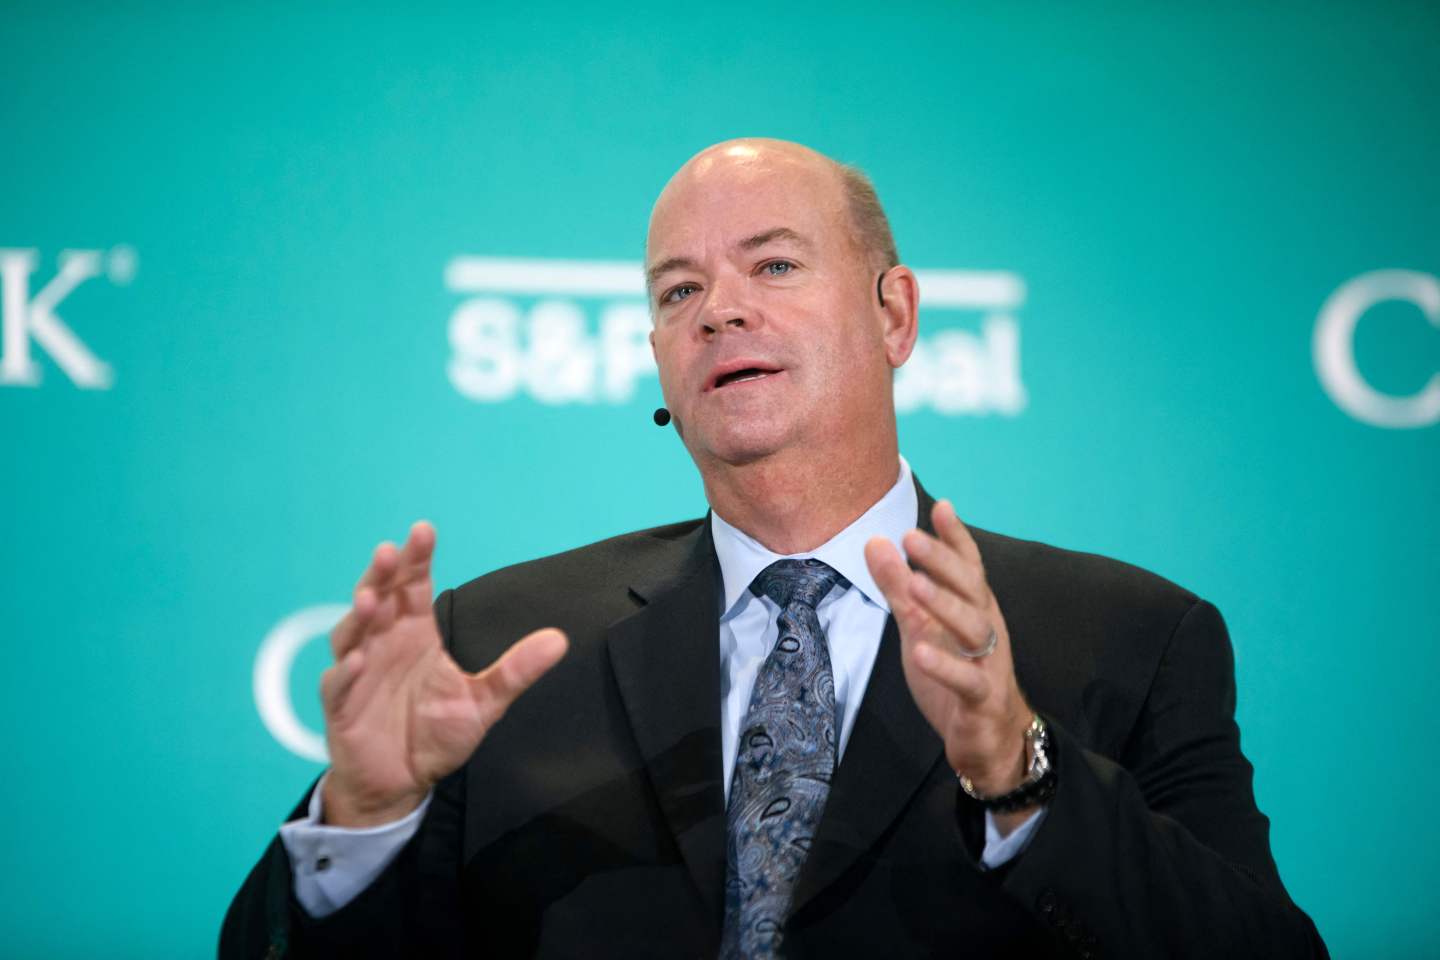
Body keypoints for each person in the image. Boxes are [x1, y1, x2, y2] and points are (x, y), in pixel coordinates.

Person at [222, 139, 1327, 958]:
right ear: (657, 353)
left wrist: (1020, 773)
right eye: (680, 290)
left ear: (895, 314)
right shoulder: (496, 644)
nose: (719, 312)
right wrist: (365, 820)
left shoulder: (1129, 639)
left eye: (776, 267)